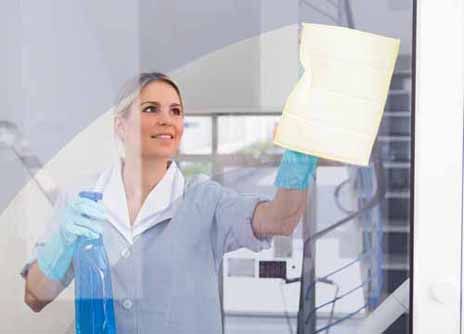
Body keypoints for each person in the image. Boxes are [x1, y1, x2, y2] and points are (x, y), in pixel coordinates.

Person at [21, 72, 318, 333]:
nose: (167, 119)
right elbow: (35, 297)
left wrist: (300, 153)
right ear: (120, 126)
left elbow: (281, 219)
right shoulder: (80, 201)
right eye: (151, 109)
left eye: (175, 111)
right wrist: (61, 242)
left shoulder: (205, 200)